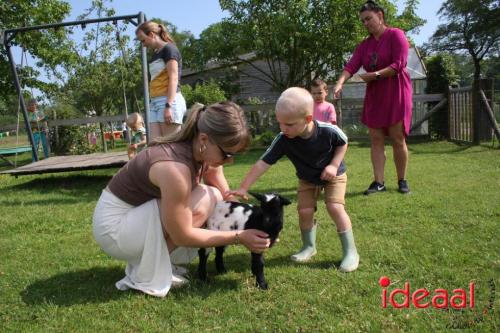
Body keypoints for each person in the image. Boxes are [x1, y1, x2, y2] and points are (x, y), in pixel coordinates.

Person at [92, 101, 270, 297]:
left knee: (214, 196)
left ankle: (157, 263)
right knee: (205, 199)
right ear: (204, 139)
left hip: (132, 217)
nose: (230, 161)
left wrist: (244, 213)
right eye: (227, 154)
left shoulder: (198, 148)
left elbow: (219, 186)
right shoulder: (175, 168)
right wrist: (239, 237)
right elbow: (182, 235)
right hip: (114, 229)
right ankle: (147, 271)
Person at [228, 87, 359, 272]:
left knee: (335, 207)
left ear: (307, 119)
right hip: (307, 178)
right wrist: (243, 187)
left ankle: (350, 252)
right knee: (304, 211)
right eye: (280, 123)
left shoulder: (327, 131)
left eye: (288, 124)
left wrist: (333, 165)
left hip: (334, 175)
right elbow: (263, 163)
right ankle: (308, 246)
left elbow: (343, 142)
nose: (283, 128)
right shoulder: (283, 139)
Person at [333, 0, 412, 195]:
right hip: (375, 94)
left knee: (397, 137)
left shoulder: (396, 35)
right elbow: (351, 65)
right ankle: (379, 182)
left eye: (368, 18)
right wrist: (340, 82)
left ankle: (402, 180)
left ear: (380, 16)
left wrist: (375, 75)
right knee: (376, 138)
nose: (366, 23)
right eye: (363, 21)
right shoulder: (364, 45)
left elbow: (399, 65)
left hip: (396, 90)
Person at [136, 21, 187, 139]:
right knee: (155, 145)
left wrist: (168, 106)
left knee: (171, 147)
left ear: (152, 35)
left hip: (168, 101)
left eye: (143, 40)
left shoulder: (169, 49)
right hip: (154, 102)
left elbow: (173, 78)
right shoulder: (155, 54)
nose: (143, 45)